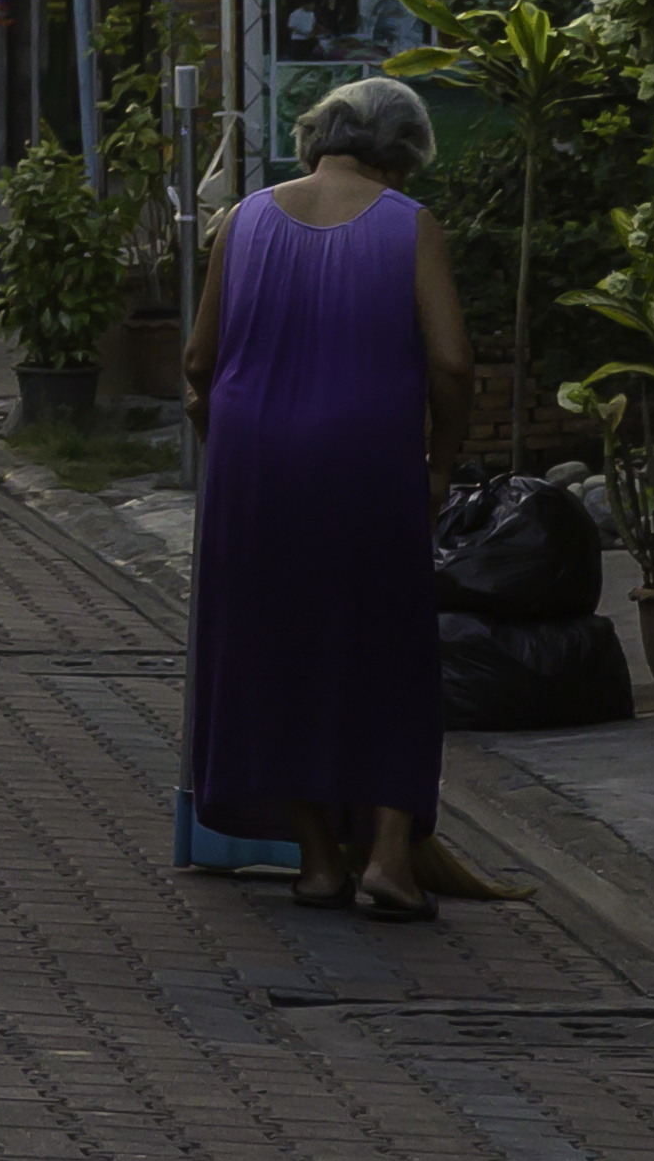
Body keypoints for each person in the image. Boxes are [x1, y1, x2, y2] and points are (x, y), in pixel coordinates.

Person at [181, 72, 474, 919]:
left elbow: (200, 366)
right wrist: (440, 463)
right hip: (369, 465)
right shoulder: (408, 225)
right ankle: (387, 859)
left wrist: (228, 448)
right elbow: (452, 361)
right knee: (386, 650)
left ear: (320, 134)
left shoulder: (242, 220)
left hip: (254, 466)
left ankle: (315, 861)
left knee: (274, 650)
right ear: (405, 153)